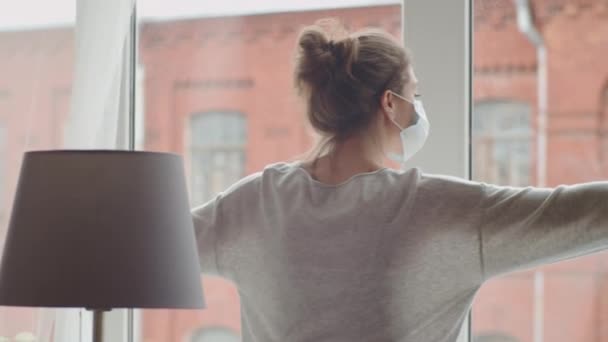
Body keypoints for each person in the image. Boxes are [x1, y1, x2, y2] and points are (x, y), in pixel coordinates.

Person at [192, 19, 608, 342]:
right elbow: (581, 213)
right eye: (416, 93)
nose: (420, 107)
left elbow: (150, 239)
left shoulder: (252, 203)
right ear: (390, 103)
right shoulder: (440, 209)